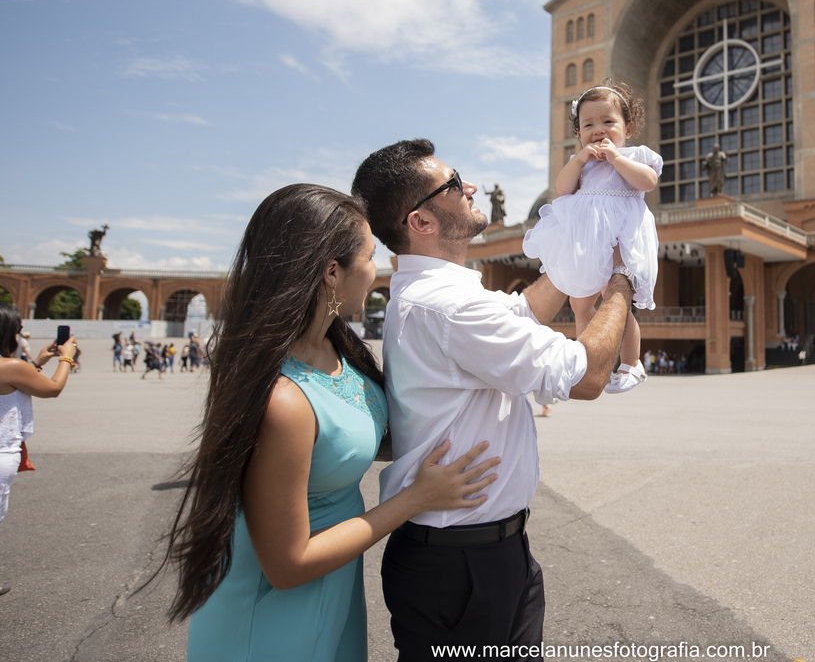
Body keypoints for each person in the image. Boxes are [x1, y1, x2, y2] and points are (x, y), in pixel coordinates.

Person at [161, 184, 501, 661]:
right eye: (369, 255)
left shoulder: (334, 348)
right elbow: (288, 563)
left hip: (330, 592)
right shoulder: (282, 400)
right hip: (272, 618)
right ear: (331, 273)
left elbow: (354, 434)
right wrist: (416, 498)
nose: (378, 268)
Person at [352, 139, 634, 658]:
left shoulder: (441, 296)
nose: (472, 187)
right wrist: (625, 276)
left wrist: (585, 253)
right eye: (455, 184)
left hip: (491, 553)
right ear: (421, 222)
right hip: (460, 569)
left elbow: (520, 313)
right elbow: (590, 374)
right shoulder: (447, 307)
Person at [523, 79, 660, 393]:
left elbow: (648, 182)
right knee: (579, 302)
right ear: (579, 134)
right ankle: (588, 361)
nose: (598, 129)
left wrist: (617, 159)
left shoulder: (635, 154)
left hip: (620, 237)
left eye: (608, 122)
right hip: (587, 242)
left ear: (628, 127)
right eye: (589, 124)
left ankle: (632, 363)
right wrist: (579, 159)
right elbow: (563, 189)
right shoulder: (582, 164)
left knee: (616, 300)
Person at [0, 305, 78, 596]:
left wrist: (37, 360)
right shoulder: (11, 366)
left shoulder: (14, 368)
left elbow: (13, 382)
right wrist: (67, 355)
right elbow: (52, 389)